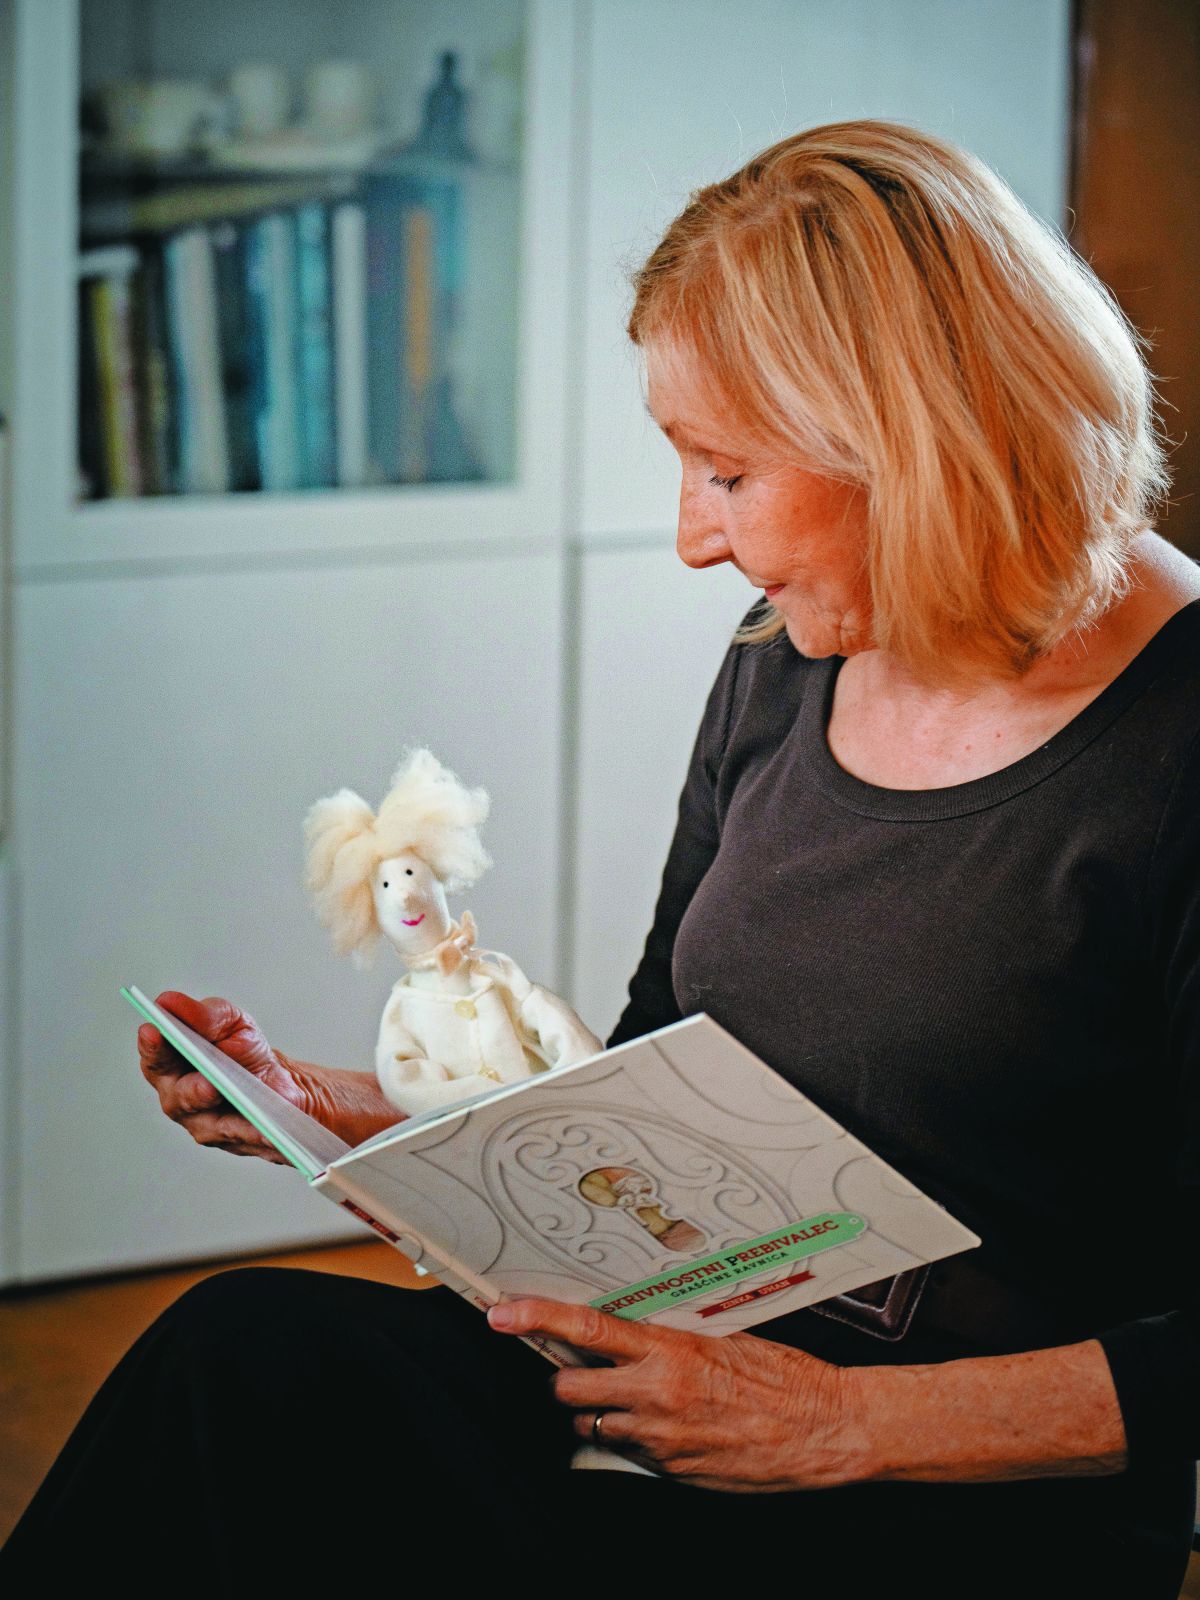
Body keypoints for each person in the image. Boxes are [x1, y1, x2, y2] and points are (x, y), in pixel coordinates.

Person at [4, 119, 1198, 1596]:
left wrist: (832, 1424)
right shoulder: (786, 659)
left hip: (936, 1490)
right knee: (233, 1358)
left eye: (727, 473)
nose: (694, 540)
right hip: (672, 1384)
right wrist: (354, 1118)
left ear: (912, 440)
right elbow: (650, 1078)